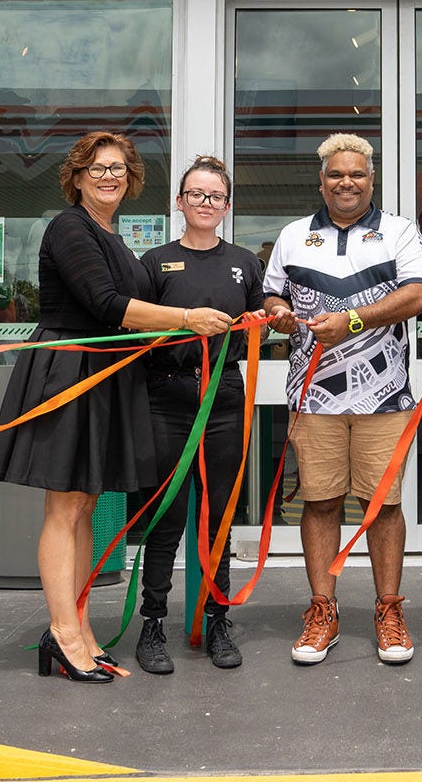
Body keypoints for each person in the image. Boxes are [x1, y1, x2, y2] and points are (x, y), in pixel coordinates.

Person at [0, 131, 233, 684]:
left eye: (119, 168)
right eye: (97, 168)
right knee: (64, 508)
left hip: (105, 377)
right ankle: (63, 632)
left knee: (85, 507)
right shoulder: (70, 226)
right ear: (76, 177)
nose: (109, 176)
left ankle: (78, 627)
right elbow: (105, 305)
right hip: (69, 374)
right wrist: (187, 319)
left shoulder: (113, 237)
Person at [261, 134, 422, 666]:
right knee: (319, 501)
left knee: (383, 505)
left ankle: (388, 609)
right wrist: (279, 313)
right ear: (322, 181)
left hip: (385, 398)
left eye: (356, 174)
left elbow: (420, 295)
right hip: (312, 398)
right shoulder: (292, 236)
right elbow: (272, 294)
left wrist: (354, 319)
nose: (346, 182)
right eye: (336, 174)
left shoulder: (400, 231)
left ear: (371, 178)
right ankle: (323, 610)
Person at [129, 155, 263, 674]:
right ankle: (153, 625)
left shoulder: (245, 263)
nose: (205, 203)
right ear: (179, 202)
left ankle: (216, 620)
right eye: (196, 194)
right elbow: (138, 328)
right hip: (168, 398)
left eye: (215, 196)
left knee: (218, 520)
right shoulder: (155, 261)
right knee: (165, 518)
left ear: (226, 207)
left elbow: (260, 329)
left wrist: (263, 320)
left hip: (225, 398)